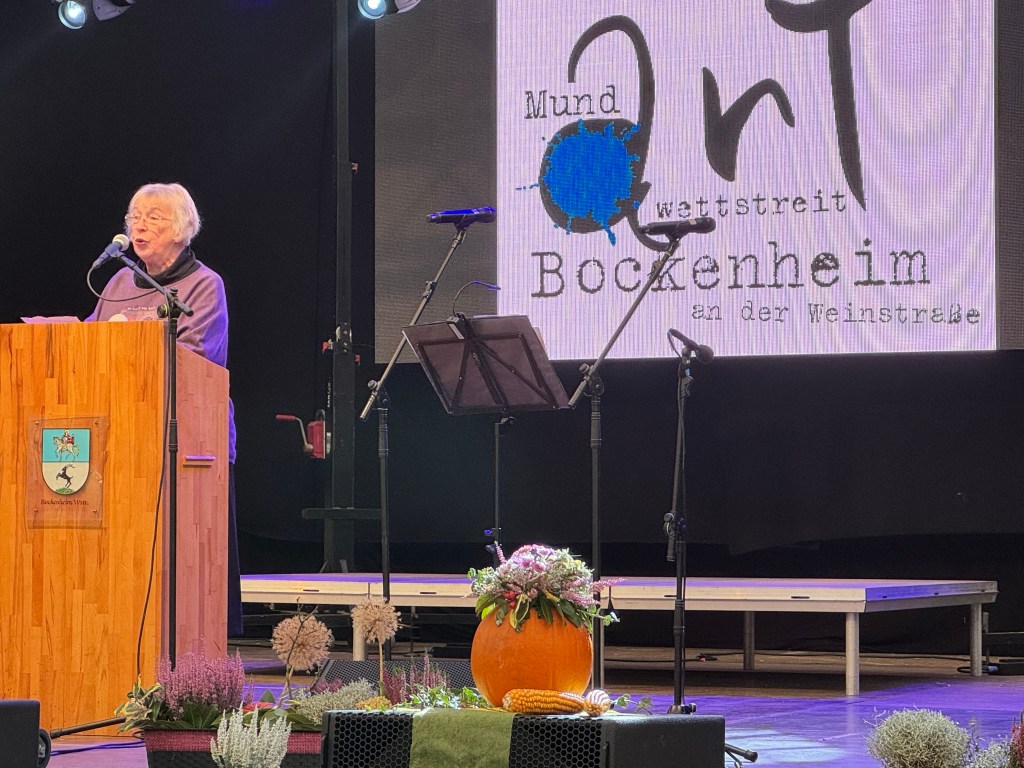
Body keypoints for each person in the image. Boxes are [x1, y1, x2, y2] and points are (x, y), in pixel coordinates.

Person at [87, 182, 243, 637]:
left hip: (189, 437)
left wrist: (134, 342)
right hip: (123, 433)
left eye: (153, 217)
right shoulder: (117, 282)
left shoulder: (204, 285)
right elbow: (91, 344)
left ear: (181, 228)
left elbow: (197, 357)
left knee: (186, 556)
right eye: (135, 216)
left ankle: (196, 640)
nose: (140, 225)